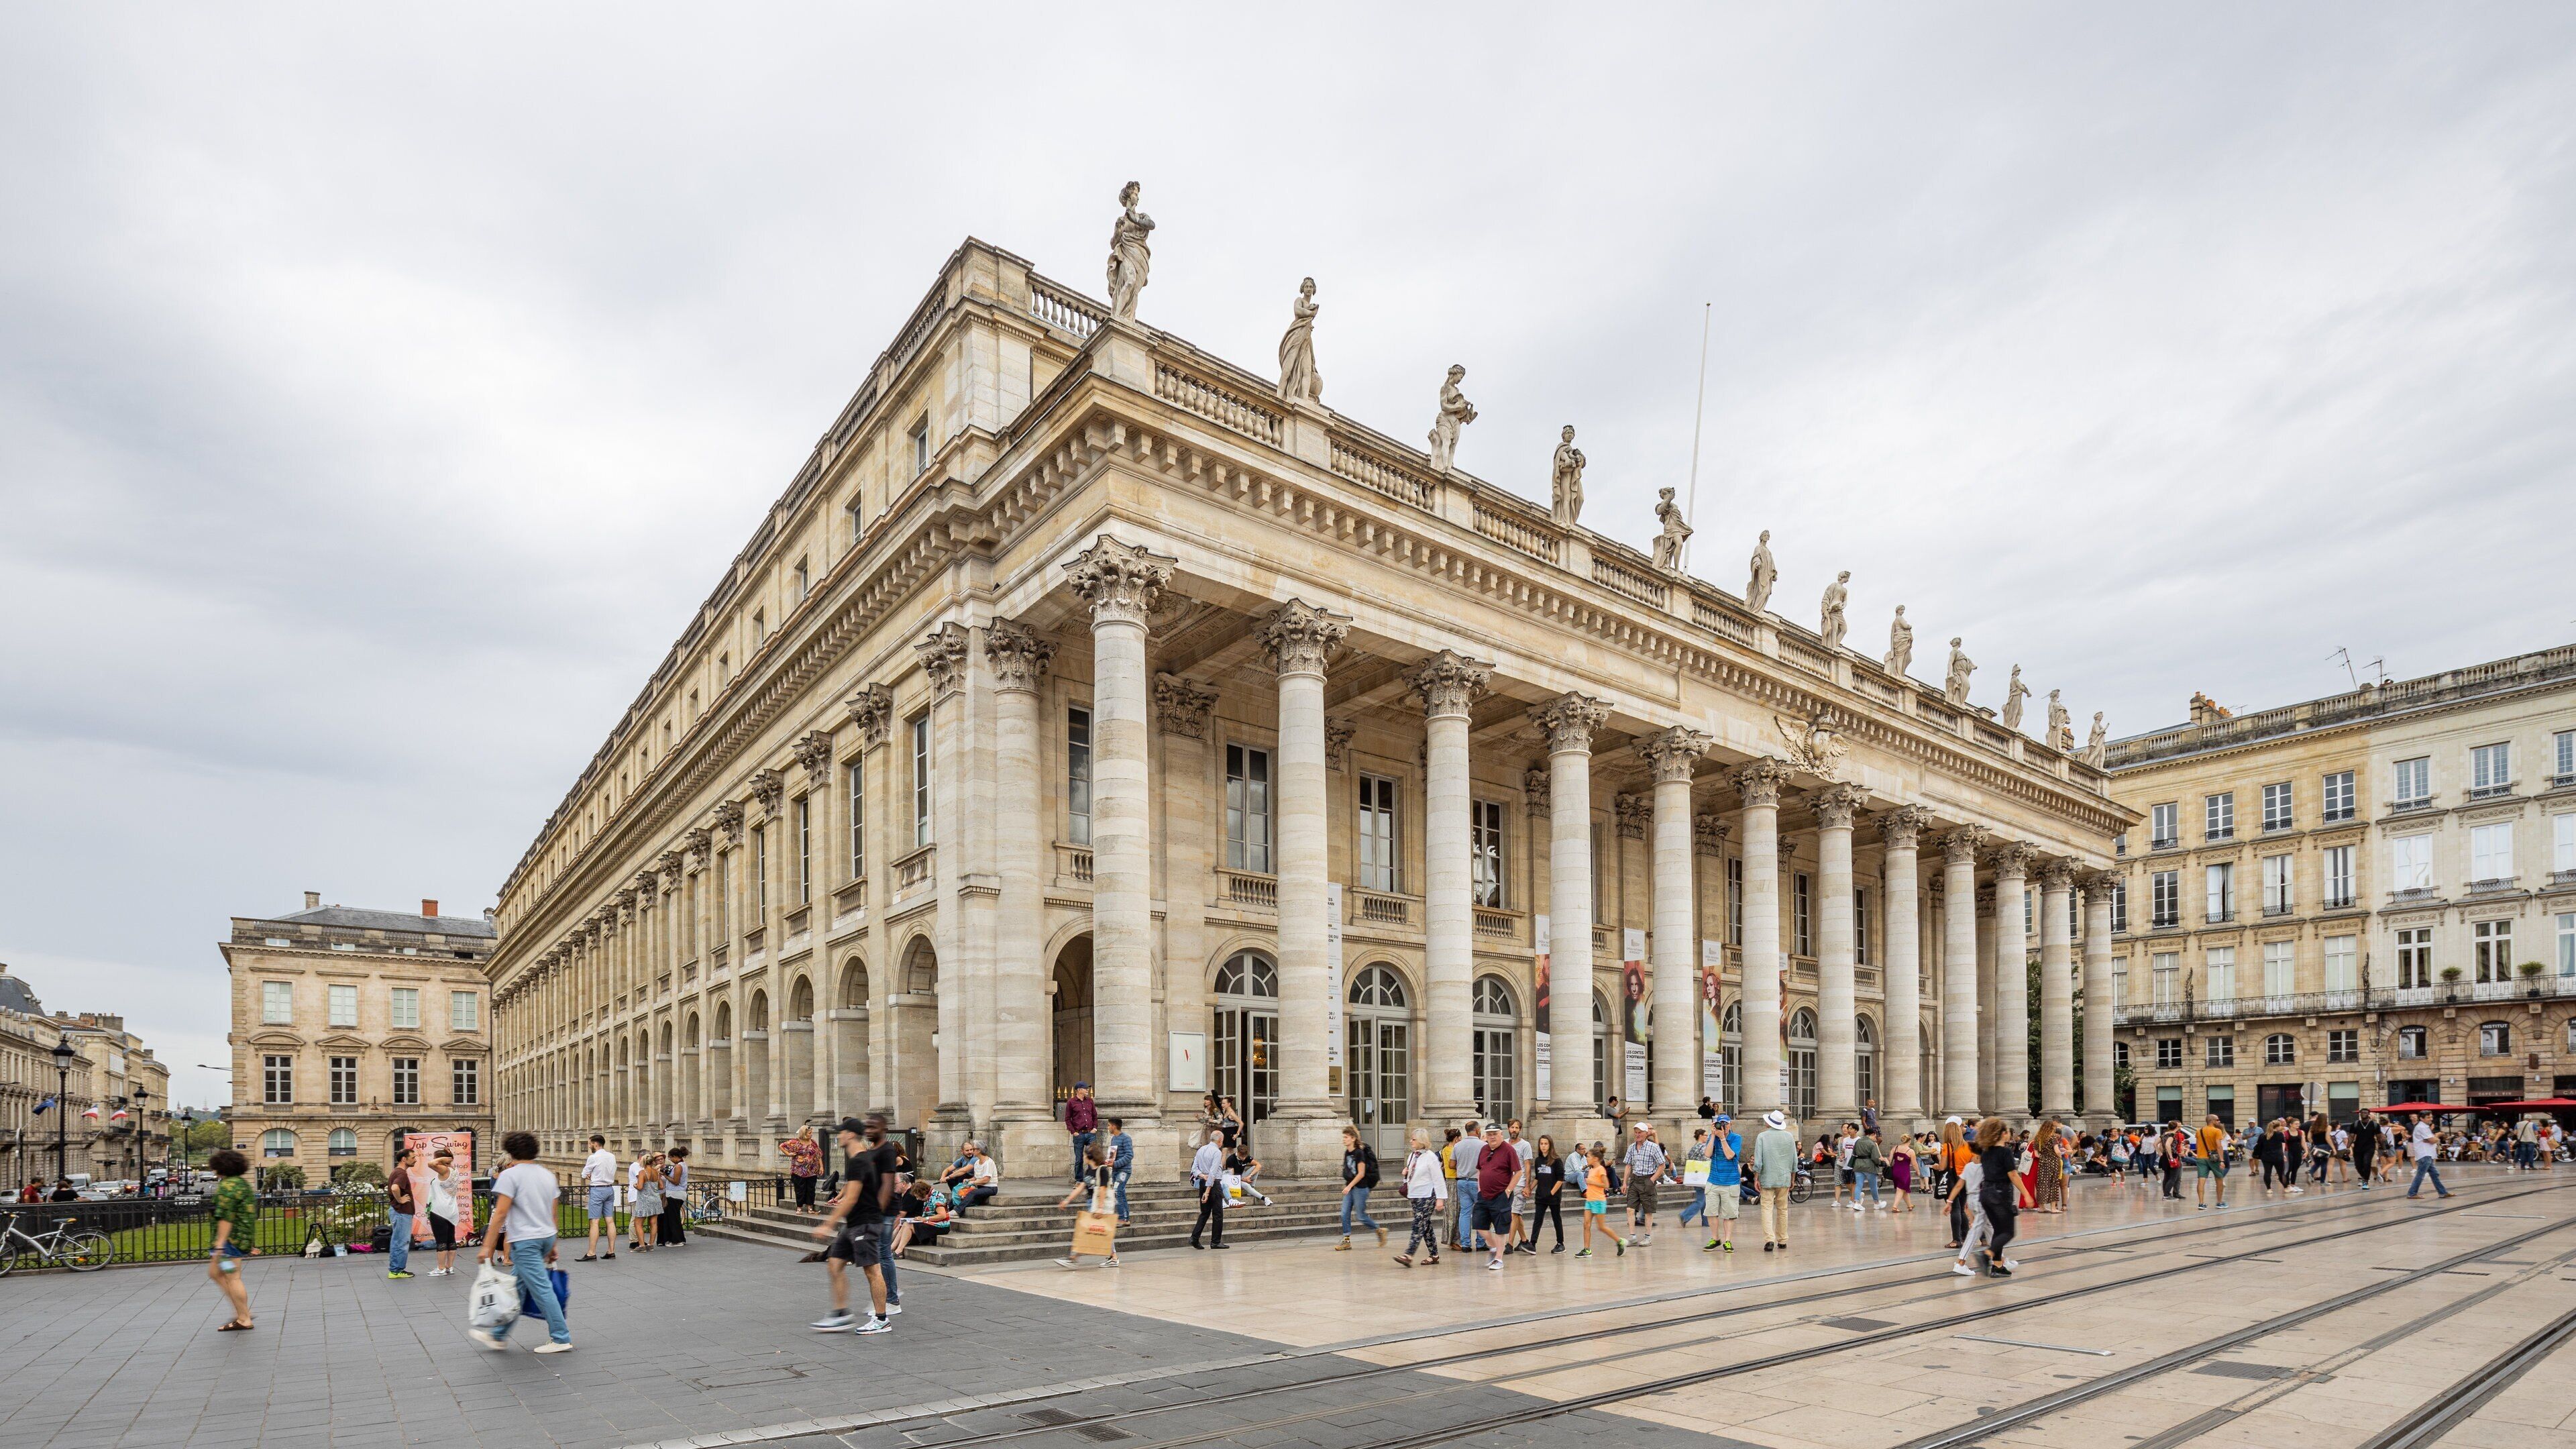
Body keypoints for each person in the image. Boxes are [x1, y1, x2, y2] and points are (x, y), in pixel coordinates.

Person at [474, 1132, 572, 1353]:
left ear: (510, 1152)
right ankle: (498, 1335)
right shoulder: (547, 1174)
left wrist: (487, 1247)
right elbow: (553, 1213)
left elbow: (500, 1213)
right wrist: (553, 1244)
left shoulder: (510, 1176)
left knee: (542, 1289)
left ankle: (561, 1337)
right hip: (545, 1236)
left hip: (526, 1240)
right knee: (517, 1288)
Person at [807, 1118, 894, 1335]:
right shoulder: (861, 1159)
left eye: (841, 1132)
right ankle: (841, 1314)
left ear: (850, 1135)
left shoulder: (859, 1161)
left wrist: (827, 1224)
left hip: (865, 1224)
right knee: (834, 1264)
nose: (838, 1136)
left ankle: (882, 1319)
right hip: (855, 1224)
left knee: (872, 1271)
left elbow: (852, 1198)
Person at [205, 1147, 258, 1332]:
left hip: (229, 1243)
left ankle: (244, 1318)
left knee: (233, 1277)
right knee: (215, 1273)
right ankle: (242, 1311)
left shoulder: (228, 1187)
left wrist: (220, 1244)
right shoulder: (242, 1184)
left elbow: (227, 1217)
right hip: (238, 1238)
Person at [1054, 1143, 1120, 1269]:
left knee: (1089, 1231)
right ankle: (1113, 1257)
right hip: (1092, 1203)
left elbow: (1103, 1189)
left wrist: (1100, 1208)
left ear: (1090, 1156)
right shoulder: (1089, 1170)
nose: (1083, 1157)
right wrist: (1067, 1200)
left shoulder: (1102, 1170)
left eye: (1085, 1155)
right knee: (1099, 1231)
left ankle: (1073, 1259)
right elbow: (1081, 1187)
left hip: (1100, 1206)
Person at [1973, 1116, 2020, 1277]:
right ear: (2003, 1134)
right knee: (2008, 1232)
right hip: (2000, 1195)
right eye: (2007, 1131)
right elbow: (2013, 1175)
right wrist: (2027, 1194)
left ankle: (1998, 1266)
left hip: (1986, 1194)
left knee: (1999, 1231)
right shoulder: (2005, 1152)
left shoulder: (1986, 1152)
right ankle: (1987, 1254)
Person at [1393, 1127, 1446, 1267]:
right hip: (1415, 1196)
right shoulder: (1413, 1155)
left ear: (1422, 1141)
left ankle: (1408, 1255)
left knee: (1418, 1224)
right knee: (1425, 1226)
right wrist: (1405, 1173)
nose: (1411, 1141)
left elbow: (1438, 1179)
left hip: (1428, 1196)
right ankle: (1434, 1255)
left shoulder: (1431, 1157)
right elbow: (1412, 1175)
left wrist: (1440, 1199)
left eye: (1414, 1139)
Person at [1472, 1122, 1521, 1270]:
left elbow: (1518, 1172)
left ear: (1501, 1135)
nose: (1492, 1137)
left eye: (1495, 1134)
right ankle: (1494, 1247)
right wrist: (1480, 1188)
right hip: (1484, 1194)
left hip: (1501, 1194)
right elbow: (1480, 1169)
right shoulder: (1484, 1149)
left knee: (1501, 1228)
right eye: (1489, 1135)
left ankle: (1499, 1259)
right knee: (1479, 1224)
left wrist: (1508, 1191)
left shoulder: (1509, 1150)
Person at [1753, 1109, 1799, 1253]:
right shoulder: (1789, 1136)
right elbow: (1794, 1160)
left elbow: (1758, 1161)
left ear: (1769, 1123)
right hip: (1784, 1177)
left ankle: (1769, 1240)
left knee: (1767, 1209)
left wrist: (1756, 1177)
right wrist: (1793, 1178)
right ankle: (1783, 1239)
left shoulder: (1762, 1136)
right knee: (1783, 1209)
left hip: (1767, 1178)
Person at [1336, 1126, 1383, 1249]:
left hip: (1361, 1188)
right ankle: (1346, 1241)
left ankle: (1379, 1231)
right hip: (1350, 1187)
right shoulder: (1347, 1152)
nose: (1344, 1139)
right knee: (1344, 1213)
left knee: (1361, 1216)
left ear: (1353, 1138)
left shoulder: (1359, 1153)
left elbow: (1361, 1174)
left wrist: (1349, 1186)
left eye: (1346, 1137)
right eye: (1344, 1137)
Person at [1701, 1115, 1741, 1252]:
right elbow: (1707, 1154)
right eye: (1720, 1124)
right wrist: (1713, 1136)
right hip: (1713, 1180)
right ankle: (1715, 1238)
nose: (1723, 1127)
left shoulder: (1736, 1138)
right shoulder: (1712, 1138)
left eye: (1726, 1124)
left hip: (1731, 1182)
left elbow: (1730, 1155)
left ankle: (1727, 1241)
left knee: (1729, 1214)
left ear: (1730, 1125)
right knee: (1711, 1212)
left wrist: (1723, 1138)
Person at [423, 1150, 468, 1275]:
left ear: (442, 1160)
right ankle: (449, 1267)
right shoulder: (454, 1171)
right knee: (451, 1240)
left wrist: (441, 1159)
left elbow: (431, 1164)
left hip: (439, 1210)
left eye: (436, 1158)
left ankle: (441, 1268)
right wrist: (448, 1157)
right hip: (451, 1210)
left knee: (441, 1241)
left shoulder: (444, 1171)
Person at [1622, 1124, 1666, 1247]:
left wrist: (1652, 1180)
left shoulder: (1653, 1147)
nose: (1637, 1135)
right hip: (1635, 1180)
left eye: (1640, 1132)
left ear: (1646, 1134)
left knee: (1648, 1210)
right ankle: (1632, 1237)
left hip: (1647, 1179)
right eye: (1636, 1132)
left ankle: (1647, 1237)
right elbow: (1628, 1165)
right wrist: (1624, 1182)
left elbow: (1662, 1165)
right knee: (1630, 1209)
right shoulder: (1632, 1147)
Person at [577, 1134, 619, 1260]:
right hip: (609, 1189)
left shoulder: (593, 1157)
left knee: (594, 1222)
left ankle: (591, 1253)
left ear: (595, 1144)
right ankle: (611, 1251)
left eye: (590, 1144)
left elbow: (584, 1174)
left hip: (597, 1189)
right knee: (610, 1220)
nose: (589, 1146)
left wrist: (590, 1175)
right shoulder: (612, 1156)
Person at [1949, 1148, 1988, 1277]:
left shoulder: (1969, 1166)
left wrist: (1949, 1201)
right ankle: (1961, 1263)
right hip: (1981, 1199)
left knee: (1990, 1229)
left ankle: (2001, 1260)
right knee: (1976, 1232)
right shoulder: (1985, 1167)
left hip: (1971, 1199)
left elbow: (1959, 1185)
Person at [1576, 1144, 1621, 1258]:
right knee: (1586, 1225)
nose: (1587, 1158)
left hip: (1599, 1201)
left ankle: (1620, 1241)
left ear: (1595, 1159)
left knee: (1601, 1227)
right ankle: (1587, 1250)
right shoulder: (1591, 1170)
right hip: (1590, 1201)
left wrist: (1592, 1182)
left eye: (1588, 1157)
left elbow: (1606, 1185)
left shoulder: (1601, 1169)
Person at [1189, 1127, 1228, 1250]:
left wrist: (1202, 1176)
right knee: (1218, 1214)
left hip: (1202, 1182)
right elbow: (1213, 1172)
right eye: (1222, 1141)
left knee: (1205, 1213)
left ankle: (1194, 1238)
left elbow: (1194, 1169)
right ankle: (1215, 1242)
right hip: (1213, 1185)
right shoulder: (1217, 1152)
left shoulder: (1201, 1149)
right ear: (1220, 1140)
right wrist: (1208, 1191)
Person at [385, 1146, 420, 1280]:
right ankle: (396, 1271)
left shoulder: (397, 1172)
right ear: (404, 1159)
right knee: (401, 1241)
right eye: (413, 1158)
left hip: (399, 1212)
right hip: (401, 1212)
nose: (415, 1160)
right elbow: (395, 1188)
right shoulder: (401, 1173)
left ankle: (396, 1270)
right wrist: (400, 1199)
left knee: (399, 1241)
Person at [1530, 1134, 1567, 1254]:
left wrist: (1551, 1193)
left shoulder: (1557, 1160)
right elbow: (1537, 1177)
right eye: (1541, 1144)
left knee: (1556, 1219)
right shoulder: (1538, 1160)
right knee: (1538, 1220)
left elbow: (1560, 1179)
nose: (1543, 1146)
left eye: (1546, 1144)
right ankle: (1532, 1244)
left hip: (1553, 1197)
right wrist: (1529, 1189)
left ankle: (1560, 1243)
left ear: (1550, 1145)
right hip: (1540, 1196)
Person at [1451, 1119, 1484, 1252]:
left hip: (1462, 1181)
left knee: (1464, 1213)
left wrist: (1462, 1165)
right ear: (1478, 1130)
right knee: (1481, 1212)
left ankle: (1465, 1244)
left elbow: (1452, 1164)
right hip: (1477, 1182)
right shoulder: (1483, 1145)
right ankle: (1481, 1243)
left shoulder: (1458, 1145)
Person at [1505, 1121, 1536, 1252]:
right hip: (1507, 1185)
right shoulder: (1504, 1144)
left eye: (1517, 1128)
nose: (1514, 1130)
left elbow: (1527, 1166)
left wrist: (1527, 1186)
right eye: (1512, 1127)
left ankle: (1509, 1244)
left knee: (1514, 1214)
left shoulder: (1525, 1145)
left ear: (1520, 1130)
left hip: (1520, 1184)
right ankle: (1524, 1241)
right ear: (1508, 1128)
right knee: (1516, 1215)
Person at [2406, 1112, 2451, 1199]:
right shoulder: (2422, 1127)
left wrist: (2432, 1139)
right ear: (2422, 1118)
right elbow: (2432, 1140)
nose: (2431, 1119)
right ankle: (2412, 1193)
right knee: (2421, 1174)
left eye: (2431, 1117)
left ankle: (2443, 1192)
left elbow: (2430, 1140)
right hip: (2425, 1154)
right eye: (2428, 1117)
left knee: (2434, 1174)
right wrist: (2437, 1135)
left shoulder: (2424, 1127)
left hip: (2427, 1153)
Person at [780, 1126, 824, 1212]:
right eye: (810, 1133)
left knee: (811, 1190)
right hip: (799, 1171)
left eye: (811, 1133)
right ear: (804, 1133)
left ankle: (810, 1208)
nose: (811, 1135)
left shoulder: (813, 1143)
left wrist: (821, 1167)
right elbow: (782, 1146)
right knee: (800, 1190)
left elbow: (818, 1155)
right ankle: (799, 1208)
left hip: (812, 1170)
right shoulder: (795, 1142)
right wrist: (788, 1154)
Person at [1065, 1083, 1099, 1183]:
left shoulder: (1090, 1101)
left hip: (1091, 1134)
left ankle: (1091, 1179)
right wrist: (1074, 1132)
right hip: (1079, 1134)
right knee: (1079, 1159)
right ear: (1079, 1090)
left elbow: (1095, 1116)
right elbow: (1067, 1119)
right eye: (1085, 1088)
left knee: (1092, 1158)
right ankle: (1079, 1180)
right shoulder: (1071, 1102)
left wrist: (1095, 1129)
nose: (1087, 1090)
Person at [1104, 1116, 1134, 1225]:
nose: (1108, 1127)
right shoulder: (1114, 1138)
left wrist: (1115, 1164)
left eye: (1109, 1125)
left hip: (1124, 1171)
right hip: (1116, 1170)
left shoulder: (1126, 1138)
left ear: (1114, 1126)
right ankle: (1125, 1218)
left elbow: (1129, 1155)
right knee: (1121, 1193)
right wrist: (1109, 1162)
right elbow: (1113, 1154)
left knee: (1117, 1192)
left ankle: (1122, 1219)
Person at [952, 1143, 999, 1216]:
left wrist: (973, 1183)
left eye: (973, 1149)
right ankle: (947, 1209)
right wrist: (969, 1180)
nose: (972, 1151)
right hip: (980, 1186)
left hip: (990, 1188)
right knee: (960, 1191)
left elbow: (986, 1180)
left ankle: (957, 1212)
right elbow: (976, 1177)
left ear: (979, 1150)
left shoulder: (988, 1163)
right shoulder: (977, 1162)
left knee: (972, 1193)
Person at [2194, 1114, 2229, 1210]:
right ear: (2212, 1121)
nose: (2219, 1121)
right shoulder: (2217, 1131)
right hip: (2214, 1159)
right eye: (2217, 1120)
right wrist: (2222, 1160)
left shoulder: (2199, 1131)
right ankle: (2219, 1202)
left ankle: (2201, 1203)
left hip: (2201, 1158)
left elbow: (2197, 1145)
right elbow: (2219, 1146)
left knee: (2201, 1180)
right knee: (2219, 1179)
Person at [2031, 1121, 2065, 1214]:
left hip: (2042, 1163)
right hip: (2053, 1162)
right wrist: (2061, 1155)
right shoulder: (2052, 1137)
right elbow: (2057, 1151)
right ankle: (2053, 1208)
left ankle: (2041, 1208)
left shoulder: (2037, 1138)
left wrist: (2044, 1157)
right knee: (2054, 1184)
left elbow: (2036, 1154)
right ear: (2051, 1128)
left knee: (2042, 1184)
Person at [631, 1154, 665, 1249]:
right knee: (653, 1223)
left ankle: (642, 1245)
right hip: (656, 1199)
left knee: (638, 1223)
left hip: (644, 1200)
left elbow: (640, 1187)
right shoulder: (656, 1172)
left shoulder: (642, 1172)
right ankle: (651, 1244)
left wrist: (635, 1186)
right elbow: (661, 1186)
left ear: (644, 1162)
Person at [659, 1146, 690, 1246]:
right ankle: (680, 1238)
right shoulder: (682, 1165)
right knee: (674, 1217)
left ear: (675, 1156)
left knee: (674, 1219)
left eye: (670, 1158)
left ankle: (677, 1240)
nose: (671, 1160)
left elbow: (676, 1182)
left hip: (675, 1194)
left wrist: (666, 1176)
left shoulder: (679, 1166)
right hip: (676, 1194)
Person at [1849, 1128, 1886, 1211]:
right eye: (1875, 1136)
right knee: (1873, 1186)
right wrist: (1879, 1163)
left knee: (1858, 1185)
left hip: (1858, 1165)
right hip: (1870, 1166)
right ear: (1872, 1134)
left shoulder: (1858, 1141)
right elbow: (1875, 1157)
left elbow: (1854, 1153)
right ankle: (1876, 1203)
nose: (1875, 1138)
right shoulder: (1872, 1144)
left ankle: (1857, 1203)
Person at [1888, 1132, 1916, 1214]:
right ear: (1909, 1141)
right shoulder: (1911, 1151)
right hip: (1905, 1172)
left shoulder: (1895, 1148)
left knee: (1904, 1188)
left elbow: (1890, 1161)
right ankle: (1895, 1206)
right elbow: (1914, 1164)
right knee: (1901, 1189)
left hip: (1895, 1171)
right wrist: (1918, 1171)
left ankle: (1910, 1205)